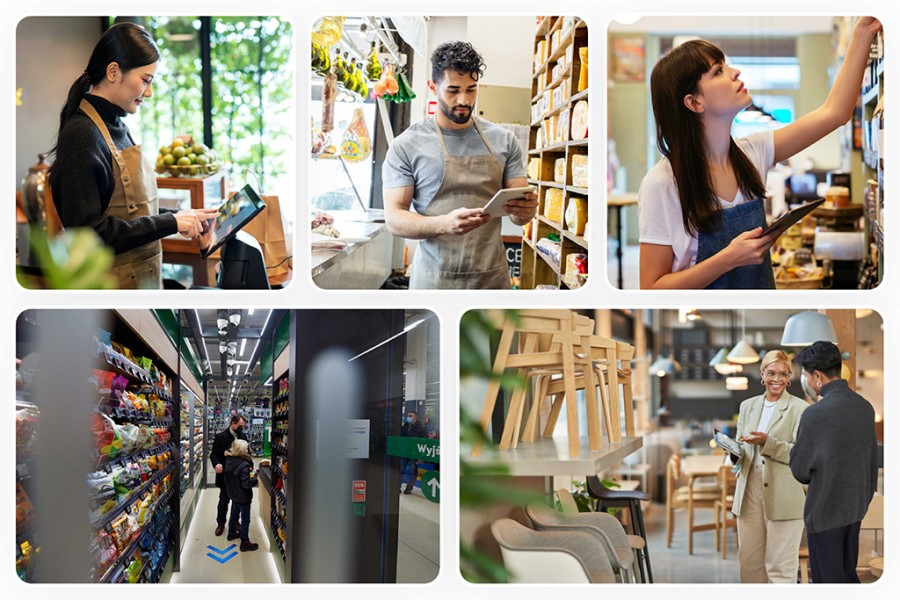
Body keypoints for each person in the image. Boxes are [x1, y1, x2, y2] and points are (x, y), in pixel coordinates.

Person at [638, 17, 882, 289]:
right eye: (718, 71)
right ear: (694, 102)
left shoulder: (753, 152)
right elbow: (651, 288)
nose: (735, 72)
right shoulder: (661, 183)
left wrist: (863, 31)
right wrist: (727, 259)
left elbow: (835, 113)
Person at [48, 22, 218, 289]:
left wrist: (183, 217)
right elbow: (89, 235)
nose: (149, 92)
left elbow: (132, 213)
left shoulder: (118, 126)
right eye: (145, 80)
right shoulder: (81, 137)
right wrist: (169, 222)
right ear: (114, 71)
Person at [383, 41, 538, 289]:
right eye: (453, 90)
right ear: (433, 87)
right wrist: (444, 224)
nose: (464, 100)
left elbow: (519, 218)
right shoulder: (407, 145)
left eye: (471, 90)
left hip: (491, 280)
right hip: (434, 281)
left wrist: (526, 211)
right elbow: (394, 219)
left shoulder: (503, 140)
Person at [790, 341, 879, 583]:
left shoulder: (814, 415)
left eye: (807, 376)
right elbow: (872, 459)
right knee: (846, 577)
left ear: (817, 376)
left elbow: (799, 470)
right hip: (855, 510)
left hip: (825, 513)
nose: (808, 382)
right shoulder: (865, 408)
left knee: (828, 584)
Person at [729, 350, 808, 583]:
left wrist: (768, 443)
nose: (777, 379)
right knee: (750, 565)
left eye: (783, 374)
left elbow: (800, 454)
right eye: (771, 373)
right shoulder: (747, 406)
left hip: (783, 492)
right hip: (749, 490)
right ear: (762, 375)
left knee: (779, 568)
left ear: (789, 377)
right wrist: (733, 453)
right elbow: (742, 450)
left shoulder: (800, 409)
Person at [210, 414, 248, 537]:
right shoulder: (220, 437)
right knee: (224, 500)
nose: (242, 429)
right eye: (240, 426)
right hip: (225, 475)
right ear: (232, 424)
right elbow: (214, 454)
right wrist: (217, 464)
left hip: (239, 476)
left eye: (243, 427)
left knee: (237, 501)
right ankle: (221, 523)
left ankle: (235, 522)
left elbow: (247, 453)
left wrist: (249, 465)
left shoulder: (243, 436)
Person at [223, 438, 259, 552]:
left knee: (234, 514)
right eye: (246, 448)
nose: (248, 450)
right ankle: (245, 542)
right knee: (245, 519)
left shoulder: (229, 460)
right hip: (243, 496)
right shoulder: (243, 465)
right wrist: (255, 479)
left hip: (233, 493)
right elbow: (246, 484)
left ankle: (231, 533)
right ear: (242, 450)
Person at [400, 411, 425, 494]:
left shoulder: (421, 428)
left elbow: (425, 442)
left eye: (410, 416)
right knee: (401, 469)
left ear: (415, 417)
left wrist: (421, 456)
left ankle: (409, 488)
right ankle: (398, 486)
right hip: (404, 451)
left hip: (414, 453)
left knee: (412, 470)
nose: (408, 417)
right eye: (408, 415)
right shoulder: (405, 426)